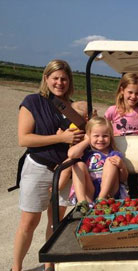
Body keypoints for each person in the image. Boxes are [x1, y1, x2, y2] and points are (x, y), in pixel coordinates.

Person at [12, 59, 85, 271]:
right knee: (29, 222)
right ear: (46, 79)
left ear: (69, 81)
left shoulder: (72, 108)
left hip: (63, 171)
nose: (59, 82)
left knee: (56, 222)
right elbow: (24, 139)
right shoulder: (32, 102)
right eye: (55, 78)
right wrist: (60, 139)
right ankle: (16, 267)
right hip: (38, 167)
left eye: (64, 78)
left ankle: (49, 266)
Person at [68, 116, 128, 216]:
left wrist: (121, 167)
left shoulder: (113, 154)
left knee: (110, 161)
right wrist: (87, 141)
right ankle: (82, 203)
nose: (100, 139)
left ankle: (101, 198)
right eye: (96, 136)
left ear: (110, 137)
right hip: (91, 190)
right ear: (89, 136)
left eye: (105, 136)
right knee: (78, 164)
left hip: (109, 192)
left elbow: (123, 179)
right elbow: (71, 154)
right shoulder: (86, 153)